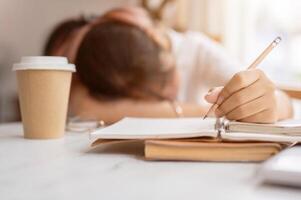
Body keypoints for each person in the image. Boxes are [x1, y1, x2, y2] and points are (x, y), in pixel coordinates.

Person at [44, 6, 293, 124]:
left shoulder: (193, 48)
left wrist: (270, 102)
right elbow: (84, 109)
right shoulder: (108, 71)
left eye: (169, 75)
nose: (170, 94)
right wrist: (204, 112)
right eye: (158, 97)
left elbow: (281, 101)